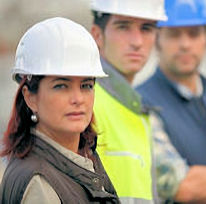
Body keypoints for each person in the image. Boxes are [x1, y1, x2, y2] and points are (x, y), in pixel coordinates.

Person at [136, 0, 206, 203]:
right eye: (174, 34)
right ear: (157, 40)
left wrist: (205, 193)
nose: (185, 44)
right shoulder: (141, 104)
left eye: (194, 33)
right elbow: (182, 189)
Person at [0, 17, 119, 204]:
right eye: (61, 86)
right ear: (30, 97)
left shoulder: (82, 156)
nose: (78, 99)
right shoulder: (38, 183)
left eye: (86, 85)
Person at [90, 0, 167, 202]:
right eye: (123, 27)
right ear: (97, 35)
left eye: (146, 28)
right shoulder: (85, 104)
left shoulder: (138, 111)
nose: (137, 41)